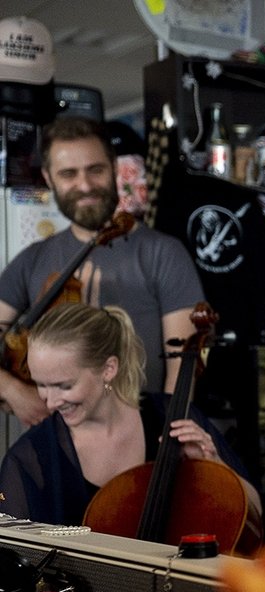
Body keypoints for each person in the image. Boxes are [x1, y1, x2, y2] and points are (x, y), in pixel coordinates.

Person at [0, 115, 205, 427]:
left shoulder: (163, 253)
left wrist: (166, 440)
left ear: (113, 167)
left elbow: (182, 371)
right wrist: (13, 390)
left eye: (95, 170)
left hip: (139, 435)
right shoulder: (33, 259)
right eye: (69, 174)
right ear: (49, 177)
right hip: (56, 445)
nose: (84, 185)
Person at [0, 302, 257, 525]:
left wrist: (215, 465)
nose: (51, 402)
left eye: (64, 386)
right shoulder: (29, 458)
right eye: (41, 385)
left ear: (109, 368)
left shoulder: (172, 416)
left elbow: (254, 512)